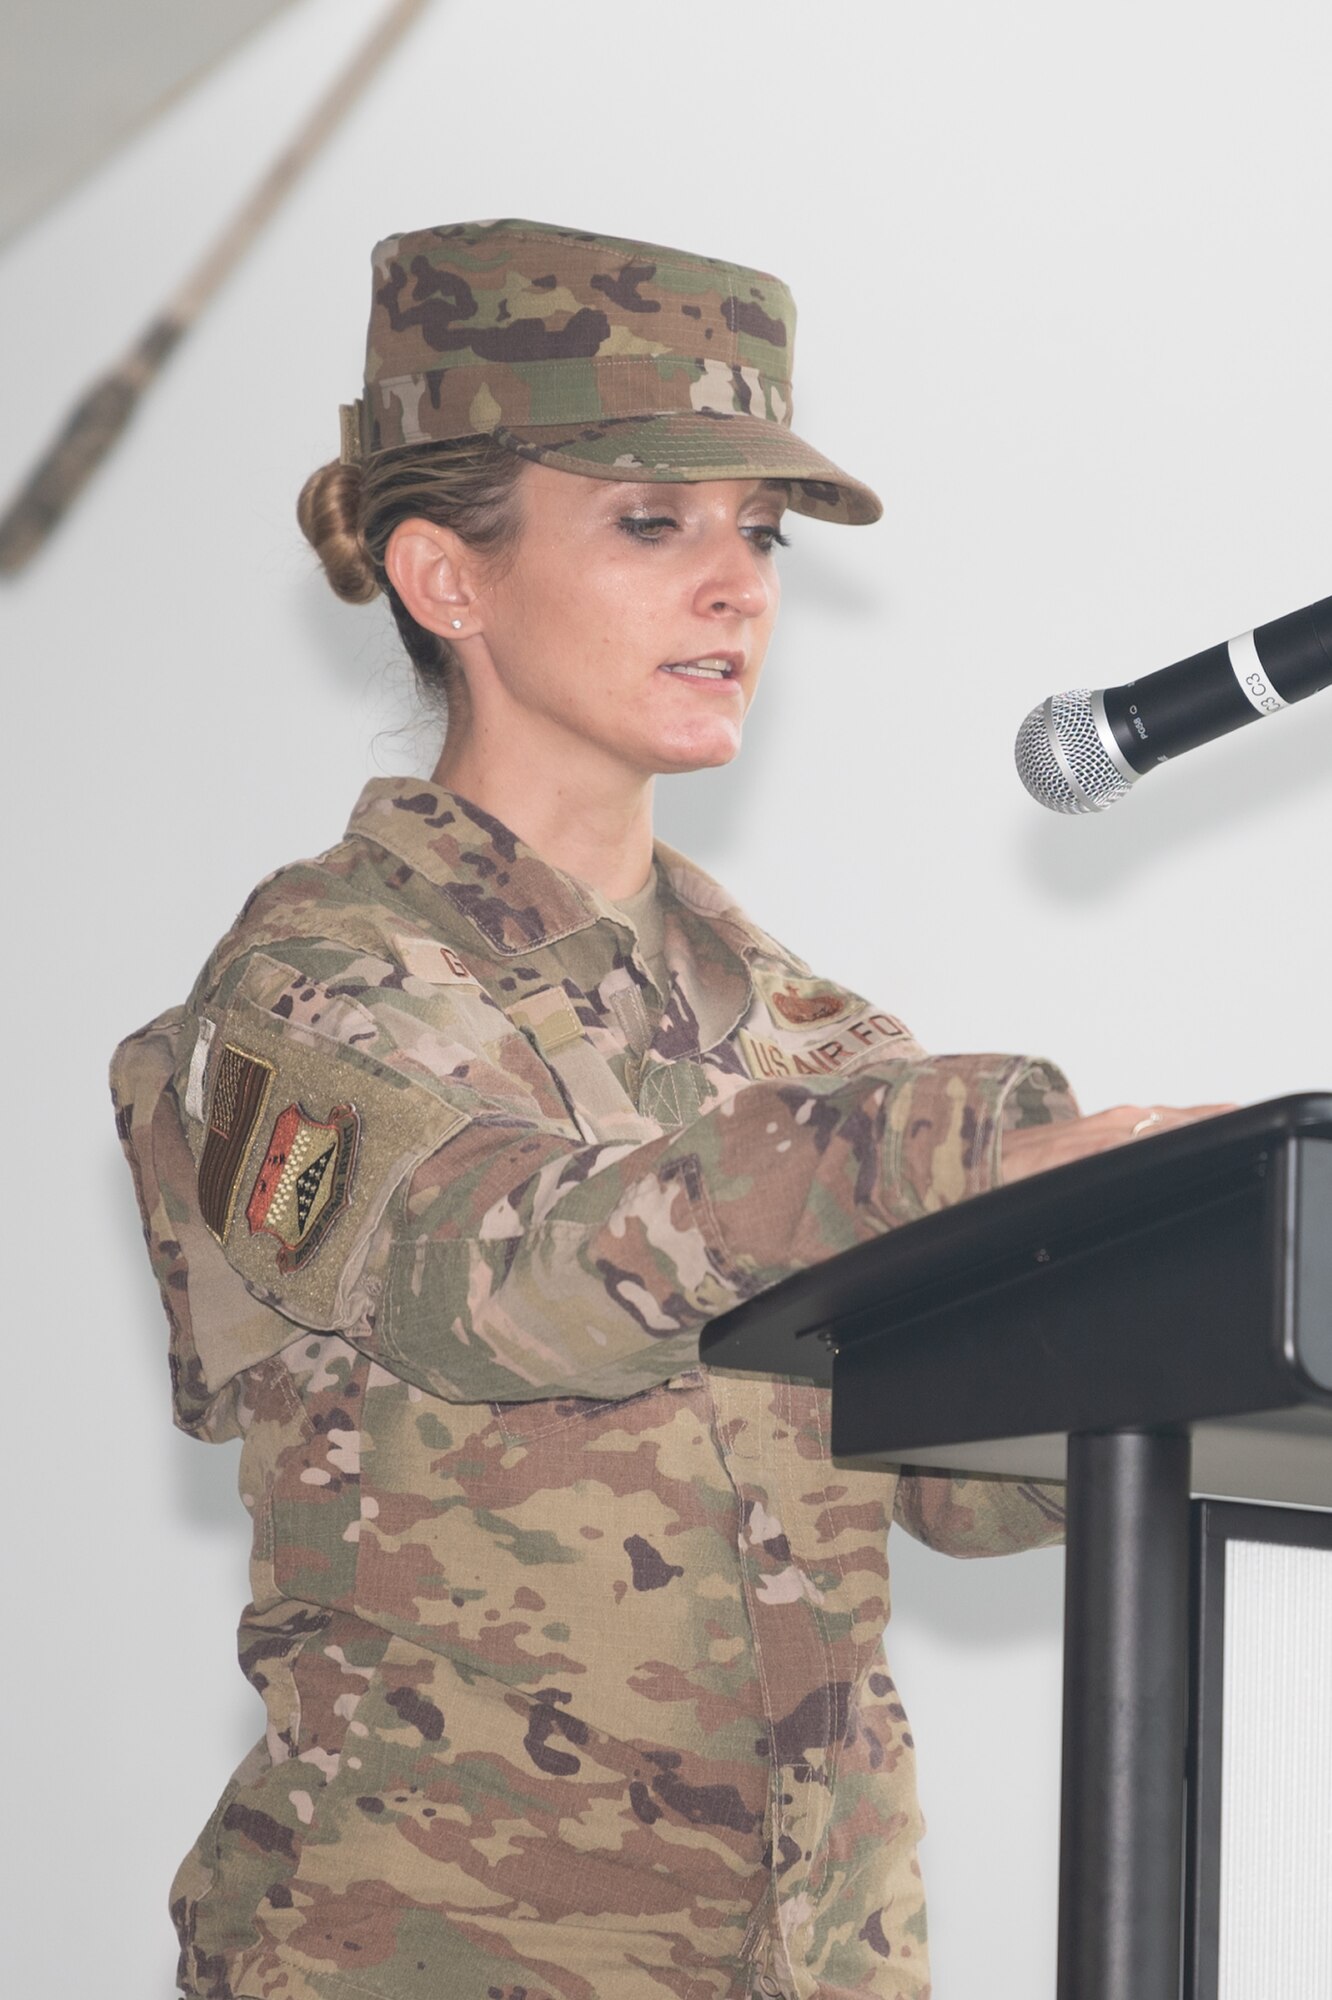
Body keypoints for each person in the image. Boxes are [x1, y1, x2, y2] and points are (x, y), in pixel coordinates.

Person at [110, 217, 1222, 2000]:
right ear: (443, 577)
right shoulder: (314, 989)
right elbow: (500, 1270)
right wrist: (965, 1156)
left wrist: (1213, 1308)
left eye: (758, 537)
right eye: (654, 524)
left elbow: (956, 1469)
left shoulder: (805, 1032)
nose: (740, 587)